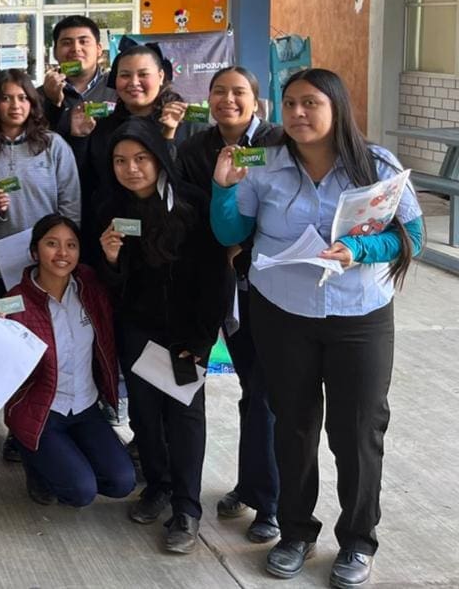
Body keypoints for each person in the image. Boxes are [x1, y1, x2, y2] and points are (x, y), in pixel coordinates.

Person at [209, 68, 423, 588]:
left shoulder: (376, 165)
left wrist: (360, 248)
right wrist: (223, 190)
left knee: (358, 431)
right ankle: (296, 532)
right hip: (283, 314)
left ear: (337, 108)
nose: (298, 113)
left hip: (360, 316)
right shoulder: (262, 162)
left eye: (311, 103)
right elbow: (229, 230)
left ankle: (358, 541)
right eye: (290, 103)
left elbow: (411, 234)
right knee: (293, 426)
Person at [95, 119, 232, 555]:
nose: (131, 169)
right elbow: (112, 285)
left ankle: (187, 508)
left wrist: (201, 338)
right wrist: (111, 259)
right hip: (137, 330)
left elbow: (216, 276)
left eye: (140, 158)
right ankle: (158, 485)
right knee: (145, 416)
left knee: (185, 417)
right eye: (120, 161)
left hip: (185, 334)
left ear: (158, 158)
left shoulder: (192, 202)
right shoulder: (112, 208)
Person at [176, 66, 282, 544]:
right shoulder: (195, 147)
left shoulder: (277, 144)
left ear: (256, 100)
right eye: (219, 91)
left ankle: (271, 504)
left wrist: (246, 244)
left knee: (266, 394)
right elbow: (187, 209)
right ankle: (251, 483)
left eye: (239, 92)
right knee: (249, 389)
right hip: (220, 282)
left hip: (269, 285)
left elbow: (285, 207)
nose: (228, 100)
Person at [2, 215, 135, 508]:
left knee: (122, 482)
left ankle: (66, 458)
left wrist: (112, 257)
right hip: (43, 411)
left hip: (86, 408)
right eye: (52, 244)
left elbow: (121, 292)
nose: (62, 253)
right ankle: (34, 459)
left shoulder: (91, 288)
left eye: (71, 245)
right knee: (80, 492)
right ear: (35, 252)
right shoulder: (15, 300)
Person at [0, 70, 81, 384]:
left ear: (33, 102)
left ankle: (43, 393)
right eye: (6, 98)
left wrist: (64, 253)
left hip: (43, 263)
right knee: (0, 328)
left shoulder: (53, 145)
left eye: (22, 98)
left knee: (42, 331)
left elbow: (70, 204)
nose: (15, 105)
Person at [70, 40, 190, 239]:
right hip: (116, 236)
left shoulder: (186, 126)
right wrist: (79, 139)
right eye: (125, 75)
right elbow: (87, 183)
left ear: (161, 76)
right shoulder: (101, 128)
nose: (134, 82)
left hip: (176, 235)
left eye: (143, 74)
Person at [38, 16, 116, 139]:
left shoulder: (118, 89)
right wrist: (52, 103)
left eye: (83, 42)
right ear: (55, 52)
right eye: (66, 43)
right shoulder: (36, 96)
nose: (75, 49)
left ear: (99, 49)